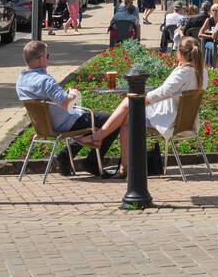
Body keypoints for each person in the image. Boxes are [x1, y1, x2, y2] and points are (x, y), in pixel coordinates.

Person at [82, 36, 208, 177]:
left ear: (181, 53)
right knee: (128, 109)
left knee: (128, 110)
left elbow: (164, 92)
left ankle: (103, 142)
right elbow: (168, 92)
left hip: (170, 119)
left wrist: (140, 99)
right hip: (185, 120)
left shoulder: (183, 73)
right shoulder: (201, 72)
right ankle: (119, 162)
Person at [15, 39, 113, 176]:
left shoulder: (21, 81)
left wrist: (65, 96)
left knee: (94, 121)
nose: (48, 59)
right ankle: (92, 163)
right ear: (41, 58)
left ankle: (65, 156)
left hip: (45, 124)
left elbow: (54, 99)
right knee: (111, 120)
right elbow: (64, 102)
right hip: (66, 122)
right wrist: (72, 94)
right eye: (47, 56)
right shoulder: (45, 80)